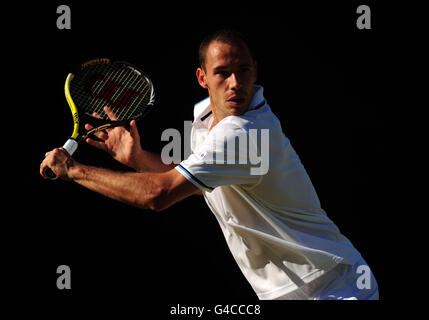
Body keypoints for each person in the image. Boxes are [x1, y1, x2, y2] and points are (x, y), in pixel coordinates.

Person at [40, 29, 379, 300]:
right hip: (290, 291)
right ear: (203, 78)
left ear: (255, 70)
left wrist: (74, 169)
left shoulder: (246, 132)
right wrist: (137, 159)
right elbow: (196, 181)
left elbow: (158, 195)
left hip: (336, 287)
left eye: (243, 71)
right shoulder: (204, 118)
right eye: (223, 73)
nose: (235, 83)